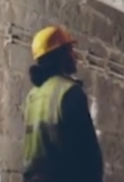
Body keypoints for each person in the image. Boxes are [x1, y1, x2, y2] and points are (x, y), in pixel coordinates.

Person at [22, 26, 103, 182]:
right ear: (60, 55)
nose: (75, 56)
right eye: (70, 50)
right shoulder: (69, 91)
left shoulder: (32, 96)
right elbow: (88, 154)